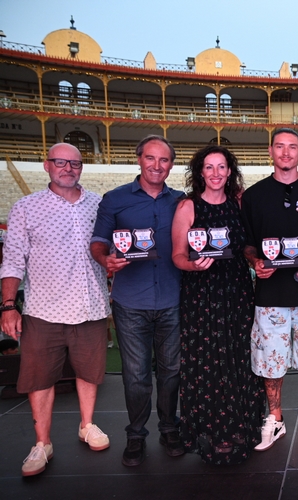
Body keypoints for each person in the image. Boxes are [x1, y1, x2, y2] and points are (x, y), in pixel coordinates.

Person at [0, 143, 111, 476]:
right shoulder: (26, 207)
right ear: (47, 165)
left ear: (81, 168)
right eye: (60, 162)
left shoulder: (99, 204)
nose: (68, 168)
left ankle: (87, 424)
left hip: (91, 306)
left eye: (75, 163)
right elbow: (13, 259)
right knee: (40, 378)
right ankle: (42, 442)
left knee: (89, 372)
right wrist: (8, 305)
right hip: (43, 310)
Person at [90, 135, 185, 466]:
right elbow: (98, 242)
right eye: (150, 158)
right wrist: (106, 260)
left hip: (173, 298)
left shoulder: (182, 201)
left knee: (171, 372)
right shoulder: (115, 199)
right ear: (139, 159)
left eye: (164, 160)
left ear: (171, 165)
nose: (157, 165)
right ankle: (135, 435)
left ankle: (170, 428)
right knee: (135, 374)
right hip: (131, 301)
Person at [170, 145, 266, 464]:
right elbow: (177, 255)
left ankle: (240, 428)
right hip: (202, 295)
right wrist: (192, 265)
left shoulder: (240, 203)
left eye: (221, 167)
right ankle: (211, 433)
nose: (215, 173)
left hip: (237, 293)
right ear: (200, 171)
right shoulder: (188, 206)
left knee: (239, 360)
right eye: (209, 167)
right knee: (207, 363)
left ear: (229, 171)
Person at [241, 128, 298, 450]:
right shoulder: (254, 195)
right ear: (271, 151)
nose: (285, 152)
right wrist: (255, 262)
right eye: (279, 146)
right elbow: (248, 244)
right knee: (271, 360)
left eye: (292, 147)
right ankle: (275, 418)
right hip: (270, 294)